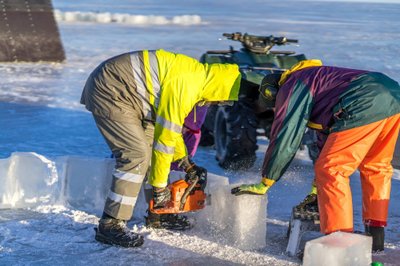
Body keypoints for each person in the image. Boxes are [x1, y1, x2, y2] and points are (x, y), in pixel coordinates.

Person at [231, 59, 400, 252]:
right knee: (375, 166)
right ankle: (376, 237)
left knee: (332, 169)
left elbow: (285, 137)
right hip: (392, 94)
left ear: (274, 93)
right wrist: (316, 190)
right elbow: (325, 143)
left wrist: (265, 182)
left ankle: (340, 245)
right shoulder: (317, 81)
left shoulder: (292, 86)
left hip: (363, 99)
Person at [81, 49, 241, 247]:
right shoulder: (187, 85)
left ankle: (158, 213)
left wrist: (187, 164)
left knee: (150, 153)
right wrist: (159, 186)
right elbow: (165, 141)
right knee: (136, 155)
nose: (215, 103)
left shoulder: (197, 79)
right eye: (220, 99)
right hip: (111, 89)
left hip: (137, 99)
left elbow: (170, 131)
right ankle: (111, 224)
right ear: (219, 87)